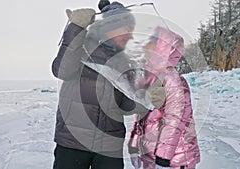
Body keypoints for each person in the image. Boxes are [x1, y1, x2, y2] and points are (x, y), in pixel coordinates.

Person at [51, 0, 166, 169]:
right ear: (109, 28)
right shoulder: (81, 49)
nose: (131, 35)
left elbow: (124, 105)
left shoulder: (125, 62)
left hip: (109, 147)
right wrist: (75, 28)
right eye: (127, 29)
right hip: (73, 142)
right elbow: (62, 70)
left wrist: (147, 100)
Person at [128, 26, 201, 169]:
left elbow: (176, 118)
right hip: (150, 156)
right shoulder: (148, 78)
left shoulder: (172, 79)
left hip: (173, 159)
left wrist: (163, 157)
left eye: (150, 42)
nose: (145, 46)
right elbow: (141, 117)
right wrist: (134, 146)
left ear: (161, 47)